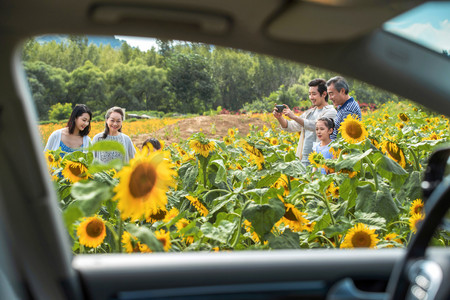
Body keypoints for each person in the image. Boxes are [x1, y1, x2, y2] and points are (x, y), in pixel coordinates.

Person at [273, 78, 337, 167]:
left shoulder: (331, 112)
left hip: (321, 160)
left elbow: (316, 125)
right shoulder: (309, 113)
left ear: (324, 94)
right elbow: (291, 126)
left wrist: (294, 117)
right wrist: (279, 118)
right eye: (309, 94)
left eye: (314, 94)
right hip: (304, 159)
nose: (311, 97)